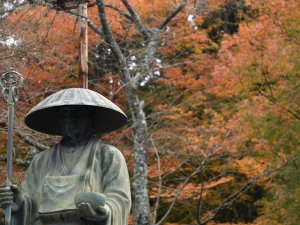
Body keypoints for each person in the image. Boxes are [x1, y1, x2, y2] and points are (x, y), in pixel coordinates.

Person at [0, 88, 131, 225]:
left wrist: (105, 211)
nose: (71, 118)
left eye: (79, 113)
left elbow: (119, 199)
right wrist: (21, 204)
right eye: (65, 113)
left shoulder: (108, 156)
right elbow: (33, 200)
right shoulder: (41, 160)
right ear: (59, 121)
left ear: (93, 121)